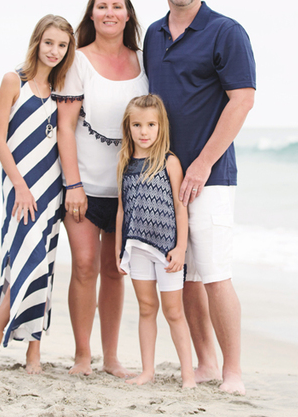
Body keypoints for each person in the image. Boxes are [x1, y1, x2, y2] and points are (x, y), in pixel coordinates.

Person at [143, 0, 256, 395]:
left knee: (214, 273)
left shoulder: (226, 32)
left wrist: (203, 164)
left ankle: (233, 371)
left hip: (209, 177)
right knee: (184, 272)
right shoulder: (152, 34)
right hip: (164, 175)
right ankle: (205, 362)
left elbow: (242, 99)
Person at [53, 0, 148, 377]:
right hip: (85, 187)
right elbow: (65, 126)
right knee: (85, 266)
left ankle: (111, 358)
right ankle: (81, 356)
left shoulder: (145, 61)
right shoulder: (77, 60)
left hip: (127, 190)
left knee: (114, 271)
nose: (110, 12)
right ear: (92, 15)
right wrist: (72, 184)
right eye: (101, 6)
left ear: (128, 15)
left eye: (117, 6)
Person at [0, 14, 76, 373]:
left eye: (62, 45)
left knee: (43, 266)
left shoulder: (63, 91)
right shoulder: (13, 80)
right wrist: (19, 185)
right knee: (21, 262)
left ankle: (33, 353)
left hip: (52, 189)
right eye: (49, 42)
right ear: (37, 41)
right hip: (19, 187)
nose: (54, 50)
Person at [115, 94, 195, 389]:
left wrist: (181, 248)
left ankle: (188, 376)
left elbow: (180, 207)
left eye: (151, 125)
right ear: (129, 127)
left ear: (161, 127)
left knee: (174, 312)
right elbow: (122, 209)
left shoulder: (169, 162)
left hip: (166, 250)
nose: (144, 132)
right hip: (136, 248)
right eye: (137, 125)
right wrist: (118, 249)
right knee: (146, 308)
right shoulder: (124, 162)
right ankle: (147, 371)